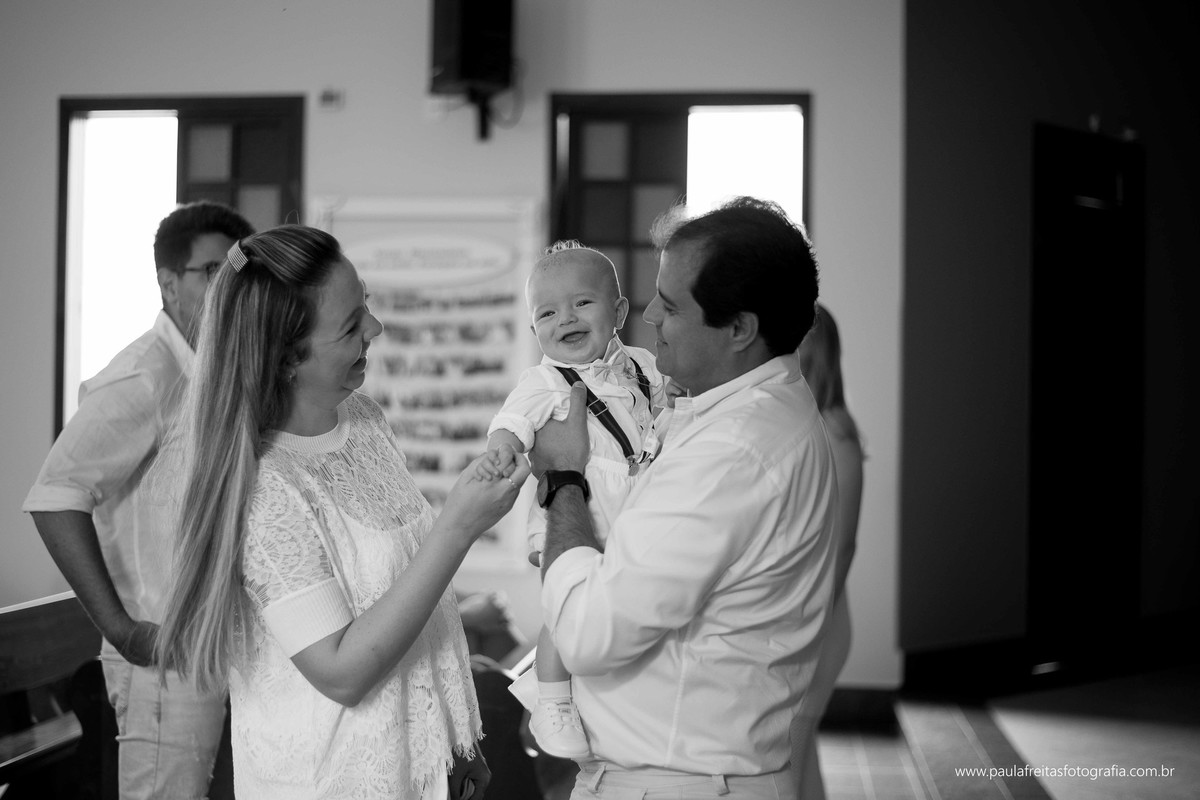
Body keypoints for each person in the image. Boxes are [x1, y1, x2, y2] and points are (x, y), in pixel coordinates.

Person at [154, 225, 528, 800]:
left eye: (367, 308)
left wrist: (456, 743)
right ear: (285, 359)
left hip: (418, 769)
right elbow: (341, 672)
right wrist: (459, 528)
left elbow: (408, 592)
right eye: (352, 326)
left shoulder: (363, 420)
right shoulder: (266, 484)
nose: (375, 329)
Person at [528, 196, 839, 798]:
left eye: (670, 306)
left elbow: (590, 635)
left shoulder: (732, 453)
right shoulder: (739, 405)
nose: (645, 318)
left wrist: (564, 479)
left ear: (740, 329)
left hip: (677, 782)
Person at [23, 200, 253, 799]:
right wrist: (122, 629)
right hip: (163, 654)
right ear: (169, 282)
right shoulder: (145, 375)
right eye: (211, 272)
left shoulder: (216, 372)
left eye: (237, 270)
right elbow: (55, 496)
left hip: (220, 643)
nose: (228, 286)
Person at [477, 241, 666, 760]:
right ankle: (551, 701)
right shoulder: (542, 382)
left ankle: (605, 702)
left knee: (623, 611)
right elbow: (510, 424)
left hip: (635, 512)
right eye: (547, 312)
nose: (566, 318)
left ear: (620, 312)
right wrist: (501, 452)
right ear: (534, 328)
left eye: (582, 303)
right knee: (565, 608)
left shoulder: (646, 366)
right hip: (582, 509)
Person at [790, 303, 866, 800]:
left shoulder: (836, 432)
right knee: (797, 758)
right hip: (798, 619)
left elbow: (843, 546)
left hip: (819, 622)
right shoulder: (800, 424)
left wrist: (808, 633)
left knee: (787, 758)